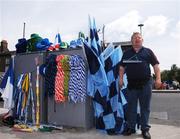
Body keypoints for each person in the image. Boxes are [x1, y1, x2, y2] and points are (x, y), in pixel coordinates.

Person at [119, 32, 161, 139]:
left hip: (146, 84)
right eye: (134, 38)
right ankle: (131, 128)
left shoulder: (148, 52)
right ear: (131, 41)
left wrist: (158, 79)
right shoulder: (127, 53)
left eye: (139, 38)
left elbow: (156, 66)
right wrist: (120, 79)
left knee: (145, 108)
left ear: (142, 40)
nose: (137, 39)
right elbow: (122, 67)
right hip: (132, 85)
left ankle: (145, 129)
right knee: (131, 107)